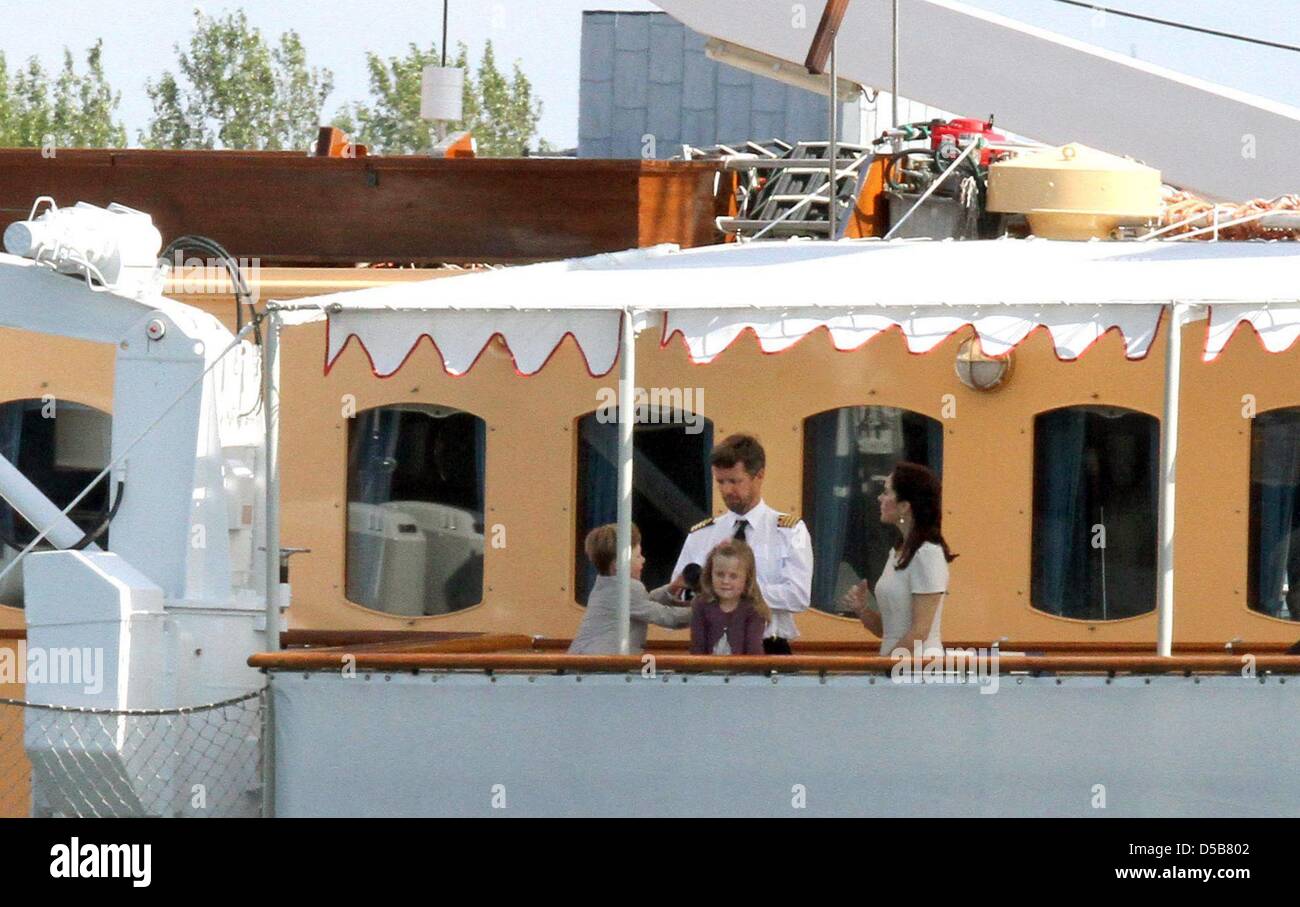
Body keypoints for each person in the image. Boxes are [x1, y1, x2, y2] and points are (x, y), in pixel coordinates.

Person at [671, 433, 812, 654]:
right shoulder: (703, 534)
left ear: (759, 476)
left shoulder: (788, 531)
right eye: (721, 482)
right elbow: (678, 591)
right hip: (712, 646)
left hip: (769, 645)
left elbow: (798, 596)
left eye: (735, 481)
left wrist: (739, 591)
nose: (727, 490)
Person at [843, 462, 957, 656]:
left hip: (919, 670)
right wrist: (862, 609)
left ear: (904, 506)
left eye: (886, 493)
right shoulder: (898, 552)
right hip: (899, 667)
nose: (880, 498)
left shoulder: (927, 554)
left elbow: (920, 631)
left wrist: (886, 666)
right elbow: (888, 630)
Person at [569, 523, 691, 655]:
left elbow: (643, 604)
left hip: (586, 660)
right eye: (638, 556)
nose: (643, 560)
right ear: (618, 564)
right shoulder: (626, 588)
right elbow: (668, 617)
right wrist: (706, 609)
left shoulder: (605, 585)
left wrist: (672, 588)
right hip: (598, 667)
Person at [689, 540, 769, 655]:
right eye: (720, 574)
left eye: (733, 576)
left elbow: (754, 653)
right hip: (706, 671)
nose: (725, 581)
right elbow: (697, 648)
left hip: (745, 671)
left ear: (747, 578)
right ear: (710, 574)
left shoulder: (754, 609)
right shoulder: (701, 605)